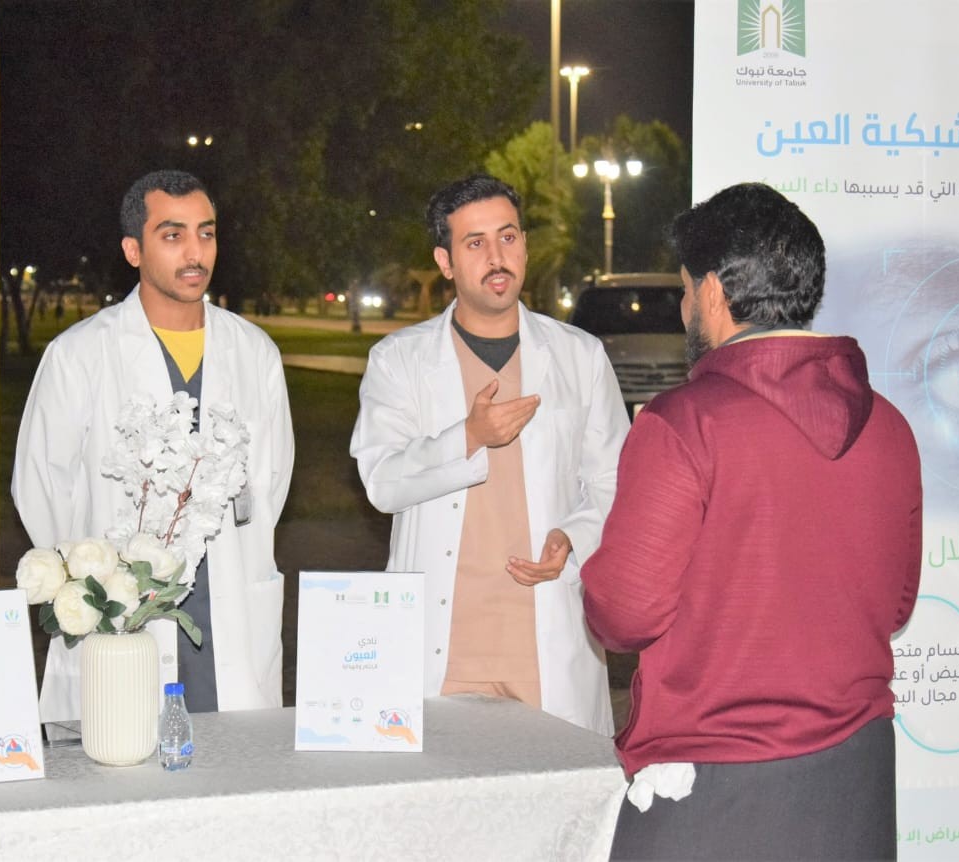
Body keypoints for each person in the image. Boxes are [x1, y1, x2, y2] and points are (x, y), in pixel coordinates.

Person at [581, 182, 922, 860]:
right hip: (854, 783)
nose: (684, 309)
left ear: (712, 291)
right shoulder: (890, 426)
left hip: (716, 792)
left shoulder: (683, 424)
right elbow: (896, 605)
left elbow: (622, 615)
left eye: (684, 291)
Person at [350, 174, 629, 735]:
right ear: (445, 261)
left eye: (507, 237)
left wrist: (574, 537)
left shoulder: (579, 356)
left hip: (546, 632)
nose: (496, 257)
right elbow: (381, 481)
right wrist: (468, 436)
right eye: (474, 243)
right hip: (443, 641)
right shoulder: (399, 360)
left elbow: (615, 481)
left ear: (524, 245)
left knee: (556, 782)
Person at [13, 169, 294, 724]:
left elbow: (270, 482)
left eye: (206, 233)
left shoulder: (254, 352)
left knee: (234, 758)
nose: (195, 252)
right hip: (119, 615)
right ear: (133, 250)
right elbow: (41, 486)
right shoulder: (80, 355)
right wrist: (95, 576)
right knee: (121, 749)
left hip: (228, 600)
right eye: (172, 235)